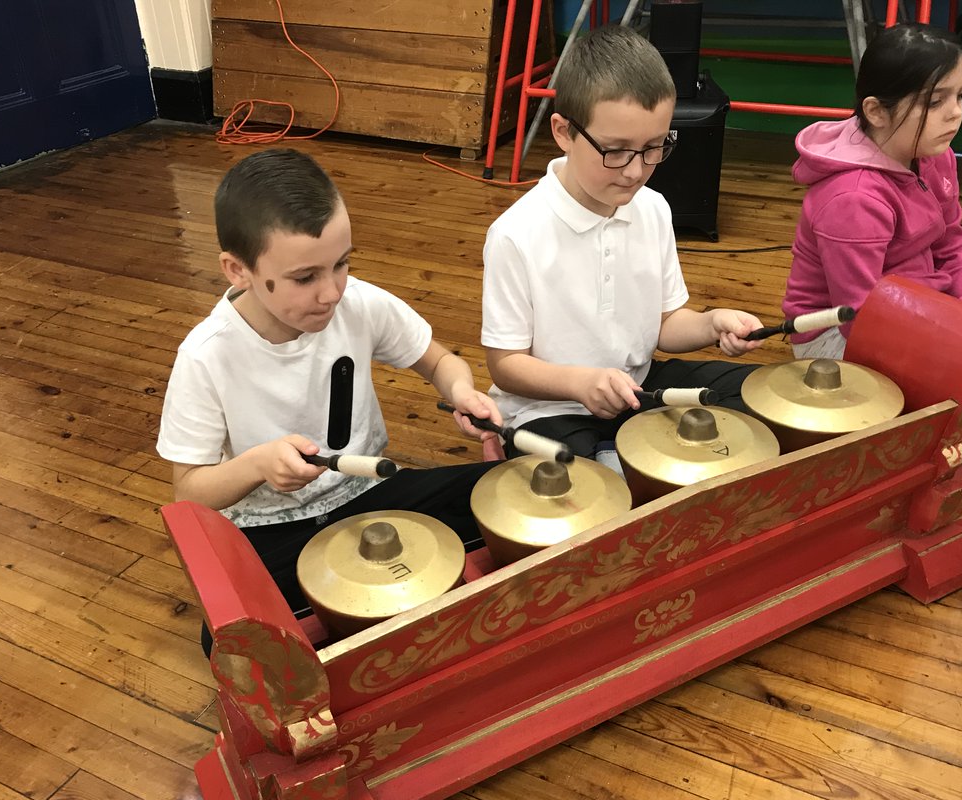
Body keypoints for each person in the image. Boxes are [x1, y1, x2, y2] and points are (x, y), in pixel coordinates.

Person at [157, 149, 501, 649]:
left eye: (341, 264)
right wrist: (257, 465)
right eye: (305, 278)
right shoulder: (206, 355)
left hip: (367, 494)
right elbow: (189, 493)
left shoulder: (357, 301)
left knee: (501, 492)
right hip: (271, 527)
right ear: (237, 270)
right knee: (233, 642)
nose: (332, 292)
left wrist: (462, 391)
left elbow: (438, 361)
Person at [480, 24, 766, 461]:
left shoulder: (653, 208)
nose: (635, 171)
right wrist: (580, 383)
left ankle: (620, 451)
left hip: (639, 386)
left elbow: (665, 325)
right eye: (614, 150)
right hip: (551, 408)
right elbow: (505, 364)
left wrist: (712, 324)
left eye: (654, 147)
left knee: (762, 395)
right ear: (563, 132)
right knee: (572, 482)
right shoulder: (515, 233)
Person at [781, 22, 962, 360]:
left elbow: (950, 244)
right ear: (876, 111)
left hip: (915, 305)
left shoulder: (936, 155)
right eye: (935, 101)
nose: (955, 112)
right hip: (836, 334)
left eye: (960, 95)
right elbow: (859, 319)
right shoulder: (853, 200)